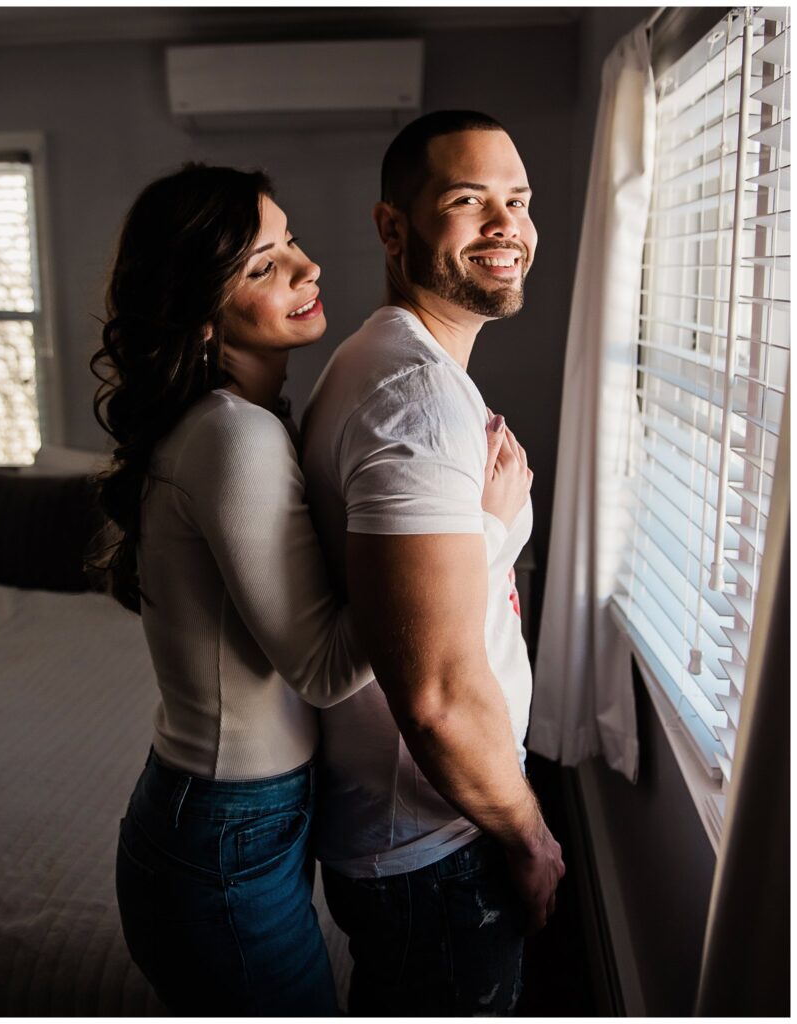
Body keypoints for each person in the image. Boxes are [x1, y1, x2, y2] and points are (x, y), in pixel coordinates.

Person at [90, 163, 531, 1016]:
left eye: (289, 240)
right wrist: (488, 529)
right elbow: (326, 670)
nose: (307, 267)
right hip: (226, 833)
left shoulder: (249, 424)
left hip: (240, 819)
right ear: (200, 312)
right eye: (263, 266)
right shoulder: (232, 437)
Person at [301, 110, 565, 1016]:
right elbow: (438, 695)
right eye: (468, 201)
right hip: (434, 841)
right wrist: (530, 834)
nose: (508, 228)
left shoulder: (397, 362)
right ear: (392, 227)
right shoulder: (415, 398)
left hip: (430, 824)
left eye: (519, 201)